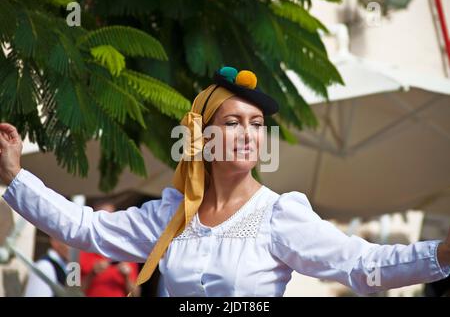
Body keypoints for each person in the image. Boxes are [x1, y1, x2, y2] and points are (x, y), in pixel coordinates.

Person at [1, 66, 449, 297]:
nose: (249, 134)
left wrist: (442, 253)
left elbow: (361, 266)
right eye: (233, 122)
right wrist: (15, 176)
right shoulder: (171, 216)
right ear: (201, 137)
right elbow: (84, 228)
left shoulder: (279, 215)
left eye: (256, 124)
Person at [79, 201, 140, 297]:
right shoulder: (78, 250)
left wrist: (126, 277)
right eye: (103, 217)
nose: (108, 222)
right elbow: (71, 290)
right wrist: (92, 274)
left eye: (111, 217)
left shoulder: (128, 251)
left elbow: (136, 294)